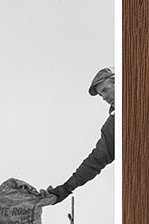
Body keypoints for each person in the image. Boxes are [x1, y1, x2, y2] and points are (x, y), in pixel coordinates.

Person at [48, 67, 115, 204]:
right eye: (101, 95)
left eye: (105, 90)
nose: (104, 98)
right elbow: (96, 160)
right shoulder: (113, 125)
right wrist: (66, 188)